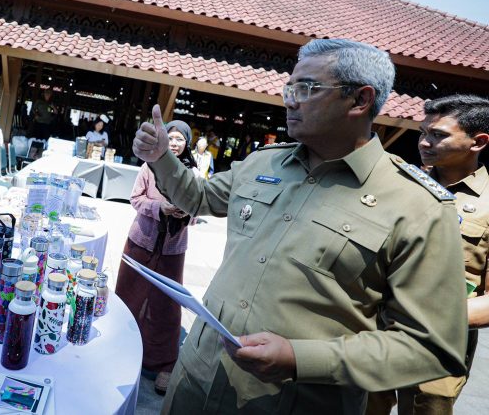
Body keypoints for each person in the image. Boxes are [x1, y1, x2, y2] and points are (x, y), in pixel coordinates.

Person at [132, 38, 467, 413]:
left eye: (306, 89)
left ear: (360, 100)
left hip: (295, 402)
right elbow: (199, 198)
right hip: (196, 379)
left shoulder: (419, 207)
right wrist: (161, 157)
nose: (290, 100)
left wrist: (301, 359)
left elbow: (430, 347)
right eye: (289, 88)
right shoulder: (263, 164)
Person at [368, 94, 489, 415]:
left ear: (478, 142)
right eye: (423, 132)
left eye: (438, 135)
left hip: (439, 343)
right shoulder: (400, 186)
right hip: (374, 331)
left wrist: (426, 316)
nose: (424, 142)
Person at [116, 120, 199, 395]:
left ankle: (164, 362)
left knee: (167, 305)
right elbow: (135, 199)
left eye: (180, 139)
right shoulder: (148, 166)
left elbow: (198, 209)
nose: (174, 143)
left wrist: (185, 212)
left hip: (172, 247)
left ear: (187, 143)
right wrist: (160, 207)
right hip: (141, 240)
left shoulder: (192, 173)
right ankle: (122, 351)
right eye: (170, 138)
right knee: (128, 295)